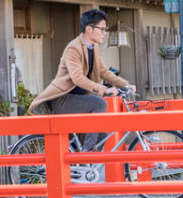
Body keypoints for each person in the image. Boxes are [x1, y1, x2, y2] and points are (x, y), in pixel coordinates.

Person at [29, 9, 137, 151]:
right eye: (102, 29)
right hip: (62, 99)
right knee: (99, 103)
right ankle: (88, 152)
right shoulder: (73, 48)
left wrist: (125, 84)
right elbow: (77, 78)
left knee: (102, 136)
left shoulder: (94, 47)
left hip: (78, 98)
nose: (104, 33)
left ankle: (84, 168)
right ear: (89, 29)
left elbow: (103, 71)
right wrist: (104, 90)